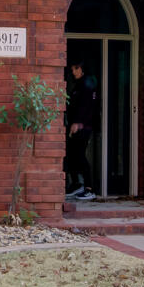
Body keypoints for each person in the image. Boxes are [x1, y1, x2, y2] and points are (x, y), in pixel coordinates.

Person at [63, 59, 100, 199]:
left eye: (75, 69)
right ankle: (77, 184)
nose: (73, 72)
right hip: (75, 126)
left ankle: (89, 189)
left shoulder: (88, 83)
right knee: (71, 155)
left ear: (82, 69)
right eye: (72, 69)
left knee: (79, 155)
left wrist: (78, 123)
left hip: (84, 127)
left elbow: (87, 107)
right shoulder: (78, 85)